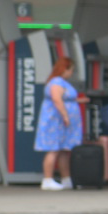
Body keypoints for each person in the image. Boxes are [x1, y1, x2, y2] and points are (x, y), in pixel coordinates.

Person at [36, 58, 82, 190]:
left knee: (63, 150)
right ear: (64, 69)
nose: (71, 73)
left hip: (61, 122)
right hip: (55, 121)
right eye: (71, 70)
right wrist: (65, 115)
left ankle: (66, 179)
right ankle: (47, 179)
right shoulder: (56, 82)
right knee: (53, 149)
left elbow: (65, 99)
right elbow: (57, 99)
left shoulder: (61, 82)